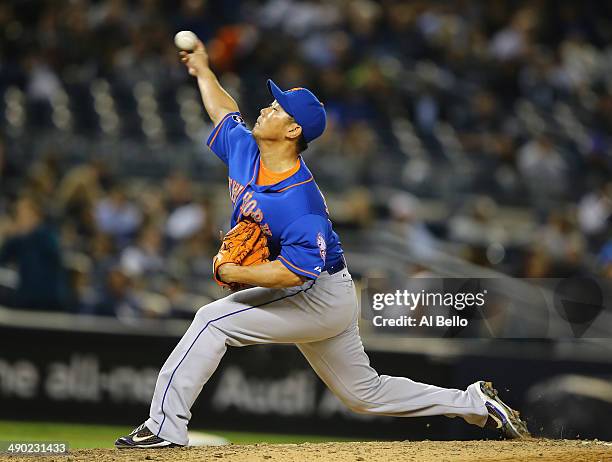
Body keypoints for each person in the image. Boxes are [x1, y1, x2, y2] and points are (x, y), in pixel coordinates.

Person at [115, 39, 530, 448]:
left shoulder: (299, 202)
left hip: (317, 293)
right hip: (323, 289)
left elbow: (294, 272)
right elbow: (223, 109)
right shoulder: (245, 149)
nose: (266, 108)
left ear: (293, 130)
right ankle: (473, 403)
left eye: (277, 109)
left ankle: (164, 427)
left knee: (211, 320)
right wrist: (203, 70)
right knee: (364, 393)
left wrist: (233, 271)